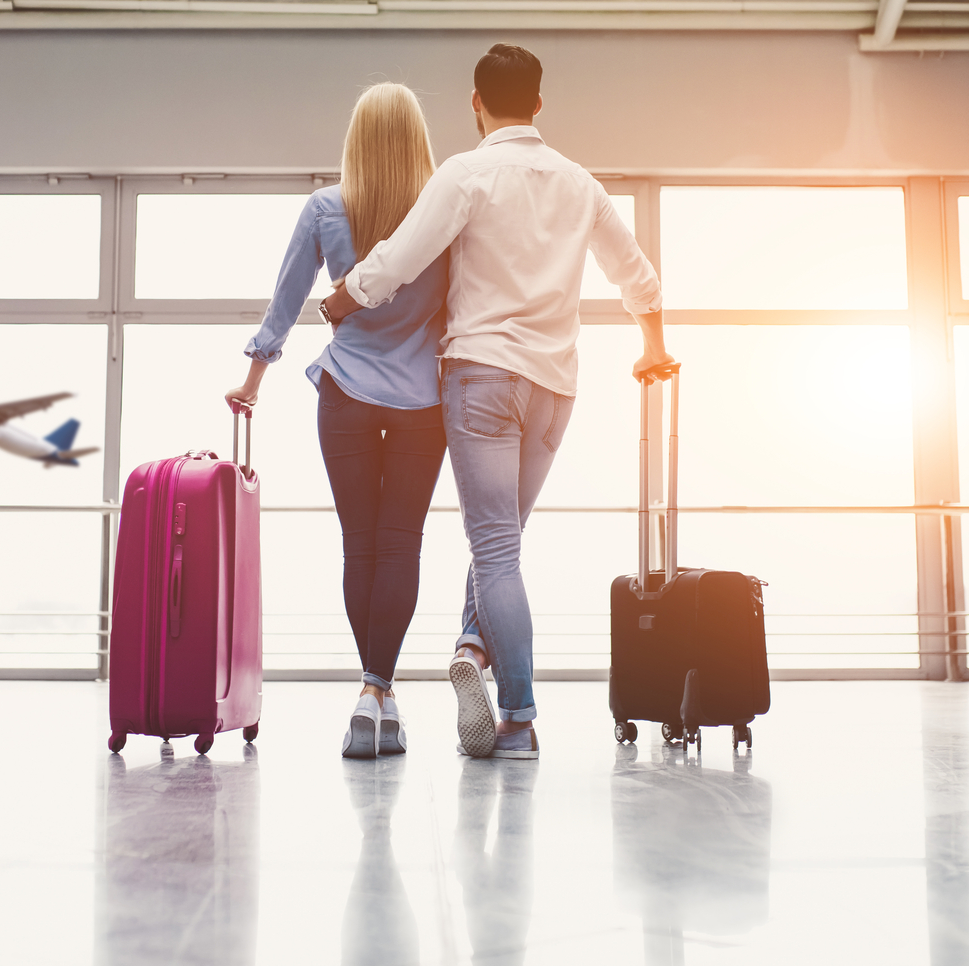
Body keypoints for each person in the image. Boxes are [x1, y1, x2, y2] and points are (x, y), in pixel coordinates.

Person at [323, 44, 676, 760]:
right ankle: (472, 646)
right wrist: (652, 345)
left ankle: (518, 716)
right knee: (503, 543)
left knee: (494, 549)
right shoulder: (580, 184)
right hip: (554, 388)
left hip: (483, 381)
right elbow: (638, 276)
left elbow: (400, 256)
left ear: (476, 104)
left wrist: (345, 297)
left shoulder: (466, 173)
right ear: (540, 104)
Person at [226, 83, 450, 760]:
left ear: (355, 141)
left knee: (360, 545)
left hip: (346, 398)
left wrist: (253, 381)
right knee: (400, 545)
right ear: (418, 142)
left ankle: (367, 690)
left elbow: (286, 301)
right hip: (422, 405)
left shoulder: (327, 208)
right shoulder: (442, 215)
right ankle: (381, 690)